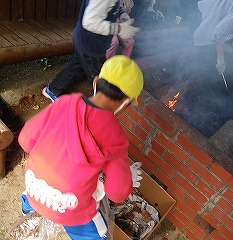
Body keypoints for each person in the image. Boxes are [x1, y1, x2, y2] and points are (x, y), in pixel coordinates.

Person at [19, 56, 144, 239]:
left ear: (95, 82)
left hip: (33, 186)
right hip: (68, 205)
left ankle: (26, 208)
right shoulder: (115, 137)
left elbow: (25, 139)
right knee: (100, 233)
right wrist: (128, 178)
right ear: (126, 102)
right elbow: (117, 193)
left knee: (38, 188)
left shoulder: (63, 103)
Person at [42, 0, 140, 102]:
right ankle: (98, 104)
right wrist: (120, 29)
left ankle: (52, 90)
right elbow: (90, 22)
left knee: (76, 66)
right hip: (91, 45)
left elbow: (111, 6)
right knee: (100, 76)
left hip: (85, 40)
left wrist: (122, 13)